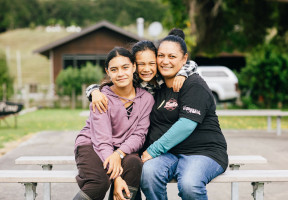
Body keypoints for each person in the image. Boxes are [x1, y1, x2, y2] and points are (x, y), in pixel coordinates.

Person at [140, 29, 228, 200]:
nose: (165, 61)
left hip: (204, 152)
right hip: (169, 154)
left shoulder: (194, 84)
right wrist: (95, 92)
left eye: (172, 57)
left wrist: (152, 150)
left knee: (190, 185)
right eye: (161, 56)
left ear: (184, 59)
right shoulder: (155, 86)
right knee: (148, 174)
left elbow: (186, 124)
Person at [73, 47, 154, 200]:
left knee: (134, 164)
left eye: (125, 67)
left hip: (122, 149)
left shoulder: (146, 99)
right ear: (108, 72)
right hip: (92, 144)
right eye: (114, 69)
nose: (121, 73)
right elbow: (102, 140)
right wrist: (116, 178)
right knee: (100, 181)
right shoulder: (101, 98)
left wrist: (119, 153)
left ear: (134, 67)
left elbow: (139, 135)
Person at [85, 39, 198, 113]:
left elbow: (190, 63)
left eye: (152, 63)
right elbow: (101, 86)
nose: (147, 69)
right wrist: (94, 92)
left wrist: (182, 74)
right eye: (141, 64)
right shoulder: (132, 80)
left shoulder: (162, 75)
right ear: (134, 66)